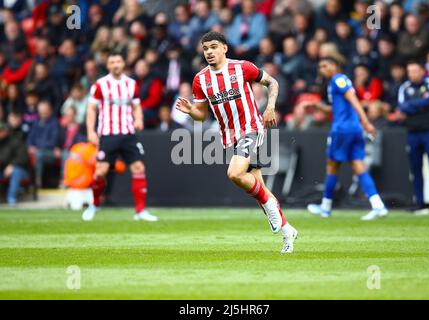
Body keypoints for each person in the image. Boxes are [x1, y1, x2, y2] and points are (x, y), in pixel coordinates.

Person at [175, 31, 298, 253]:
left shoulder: (242, 67)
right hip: (229, 136)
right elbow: (202, 115)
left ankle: (271, 206)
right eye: (205, 49)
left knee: (234, 173)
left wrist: (270, 108)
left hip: (252, 127)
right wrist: (190, 111)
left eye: (213, 47)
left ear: (224, 48)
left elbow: (273, 83)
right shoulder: (200, 79)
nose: (209, 52)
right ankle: (288, 231)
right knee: (258, 187)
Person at [300, 57, 388, 221]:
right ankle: (378, 205)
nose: (322, 69)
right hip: (354, 129)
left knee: (332, 166)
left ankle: (325, 208)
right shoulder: (339, 81)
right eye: (320, 66)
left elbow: (353, 100)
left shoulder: (338, 79)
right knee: (358, 165)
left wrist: (366, 121)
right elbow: (338, 108)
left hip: (342, 130)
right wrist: (318, 106)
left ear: (335, 66)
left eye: (325, 65)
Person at [82, 52, 157, 222]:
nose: (115, 64)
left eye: (118, 61)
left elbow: (136, 106)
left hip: (128, 133)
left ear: (123, 64)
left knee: (138, 168)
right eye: (112, 62)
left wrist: (138, 119)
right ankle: (94, 205)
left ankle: (140, 211)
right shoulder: (100, 85)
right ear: (108, 66)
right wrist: (91, 131)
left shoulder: (131, 84)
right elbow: (91, 109)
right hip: (108, 134)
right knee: (100, 172)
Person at [396, 61, 429, 214]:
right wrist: (418, 106)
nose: (412, 74)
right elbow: (401, 106)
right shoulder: (405, 87)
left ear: (422, 71)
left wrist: (412, 106)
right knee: (415, 169)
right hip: (412, 132)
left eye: (415, 70)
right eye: (409, 71)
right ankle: (420, 203)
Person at [0, 122, 29, 206]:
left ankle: (11, 199)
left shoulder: (16, 141)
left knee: (16, 171)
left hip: (21, 171)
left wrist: (12, 165)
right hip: (2, 170)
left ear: (6, 131)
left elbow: (23, 158)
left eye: (1, 130)